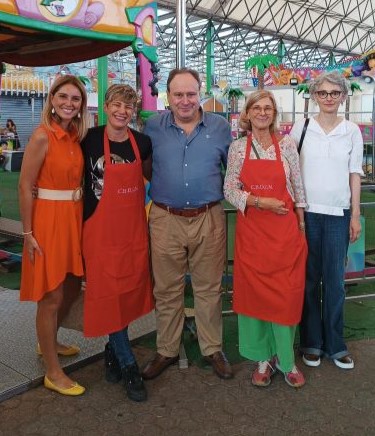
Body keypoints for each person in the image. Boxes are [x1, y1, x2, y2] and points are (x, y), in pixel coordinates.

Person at [141, 67, 233, 381]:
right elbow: (146, 168)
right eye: (178, 94)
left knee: (209, 288)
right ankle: (166, 348)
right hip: (166, 219)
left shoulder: (220, 127)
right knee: (167, 289)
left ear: (200, 93)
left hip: (209, 218)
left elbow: (232, 170)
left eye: (190, 94)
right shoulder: (153, 127)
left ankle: (212, 348)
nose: (184, 101)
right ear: (168, 97)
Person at [224, 90, 307, 388]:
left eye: (267, 108)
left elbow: (298, 186)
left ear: (274, 113)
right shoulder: (236, 148)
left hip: (284, 234)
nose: (262, 112)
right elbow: (230, 190)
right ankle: (263, 358)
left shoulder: (286, 145)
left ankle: (286, 360)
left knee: (285, 297)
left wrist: (301, 222)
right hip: (253, 235)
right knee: (256, 297)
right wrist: (260, 202)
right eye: (256, 108)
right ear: (246, 113)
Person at [81, 84, 154, 402]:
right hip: (98, 232)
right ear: (106, 106)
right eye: (116, 104)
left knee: (125, 298)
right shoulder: (89, 140)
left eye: (128, 106)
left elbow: (150, 180)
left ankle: (112, 350)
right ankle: (128, 365)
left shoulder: (143, 142)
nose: (122, 111)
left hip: (131, 234)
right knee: (110, 296)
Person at [19, 75, 89, 396]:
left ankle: (49, 340)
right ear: (52, 98)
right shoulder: (41, 136)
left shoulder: (74, 136)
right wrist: (28, 232)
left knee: (73, 284)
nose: (69, 103)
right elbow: (24, 185)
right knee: (52, 296)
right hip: (48, 221)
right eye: (63, 97)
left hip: (72, 219)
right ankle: (52, 371)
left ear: (81, 105)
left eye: (75, 99)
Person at [290, 71, 363, 370]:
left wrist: (355, 214)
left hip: (338, 215)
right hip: (306, 214)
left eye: (335, 93)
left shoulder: (352, 131)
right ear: (314, 96)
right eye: (323, 93)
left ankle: (335, 344)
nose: (329, 98)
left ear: (344, 96)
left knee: (334, 283)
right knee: (308, 281)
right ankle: (311, 342)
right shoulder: (301, 127)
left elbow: (354, 174)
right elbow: (288, 167)